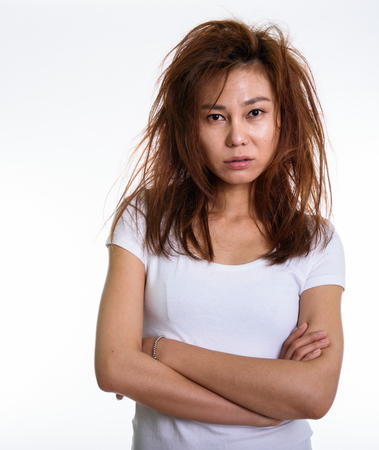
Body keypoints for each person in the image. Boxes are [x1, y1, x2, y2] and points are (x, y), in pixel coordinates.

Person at [95, 19, 345, 450]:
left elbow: (314, 393)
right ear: (190, 126)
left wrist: (160, 351)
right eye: (215, 116)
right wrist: (264, 407)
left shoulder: (315, 241)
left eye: (255, 112)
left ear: (281, 120)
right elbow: (115, 367)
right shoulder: (145, 217)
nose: (237, 137)